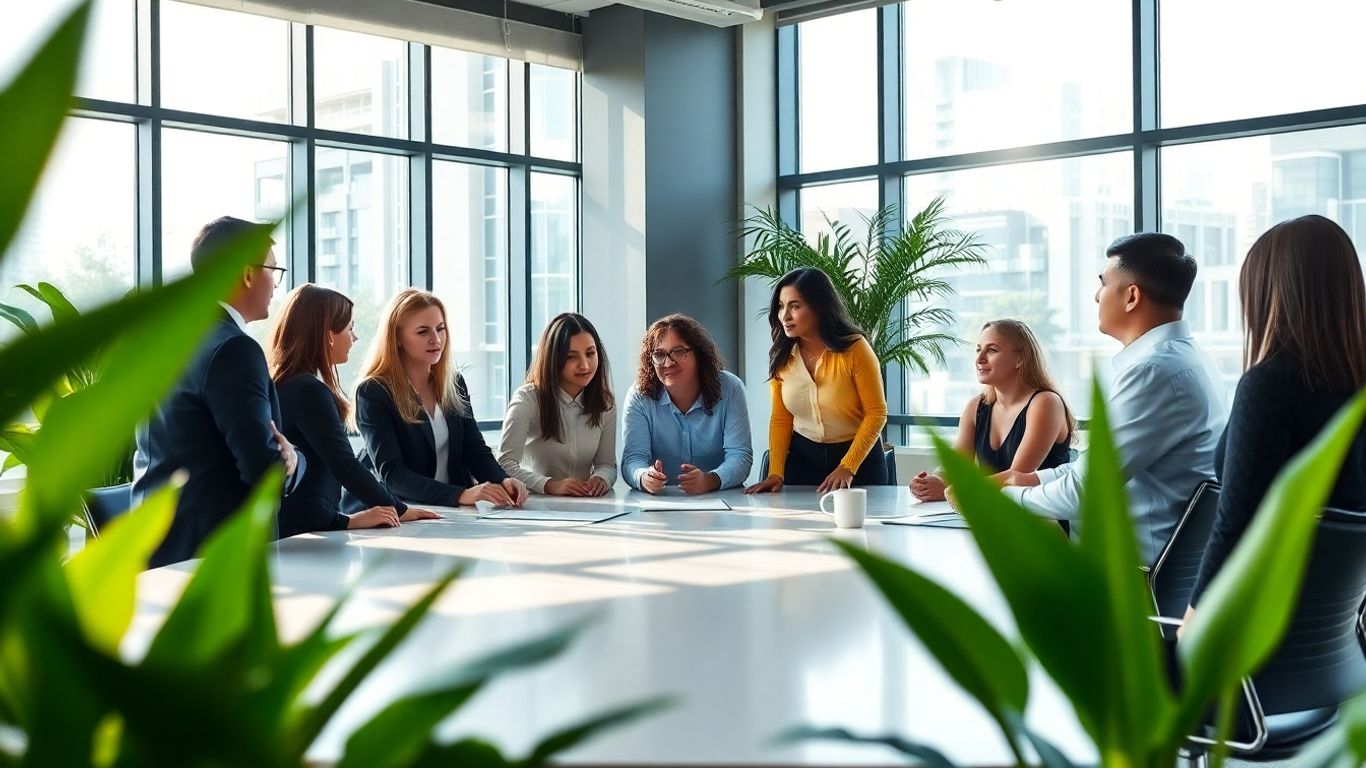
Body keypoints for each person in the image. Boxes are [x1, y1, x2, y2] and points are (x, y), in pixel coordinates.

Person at [998, 233, 1226, 565]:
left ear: (1132, 296)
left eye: (1103, 284)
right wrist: (1031, 479)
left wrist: (1003, 496)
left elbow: (1083, 493)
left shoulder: (1152, 372)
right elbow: (1092, 472)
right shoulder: (1187, 360)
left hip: (1130, 580)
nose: (1095, 296)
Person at [1185, 215, 1366, 620]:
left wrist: (1190, 628)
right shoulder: (1355, 391)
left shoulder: (1270, 386)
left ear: (1272, 295)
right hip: (1340, 655)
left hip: (1258, 643)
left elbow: (1236, 526)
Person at [133, 216, 304, 567]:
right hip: (214, 559)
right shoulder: (233, 349)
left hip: (158, 549)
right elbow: (263, 469)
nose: (275, 284)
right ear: (246, 273)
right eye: (274, 270)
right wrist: (293, 461)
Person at [269, 284, 440, 536]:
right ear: (327, 334)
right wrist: (400, 509)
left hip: (302, 530)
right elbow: (344, 464)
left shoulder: (287, 383)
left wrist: (345, 519)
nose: (354, 338)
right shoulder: (308, 390)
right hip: (305, 536)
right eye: (350, 328)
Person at [353, 288, 528, 508]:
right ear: (397, 338)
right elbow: (393, 475)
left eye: (441, 329)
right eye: (423, 332)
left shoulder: (453, 383)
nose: (436, 339)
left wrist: (502, 480)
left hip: (456, 512)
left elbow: (474, 450)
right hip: (405, 511)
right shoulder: (374, 392)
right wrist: (460, 495)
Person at [745, 268, 888, 495]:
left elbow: (876, 412)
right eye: (781, 306)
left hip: (859, 461)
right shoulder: (782, 356)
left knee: (863, 529)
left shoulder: (855, 348)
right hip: (802, 461)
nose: (785, 316)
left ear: (819, 307)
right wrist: (775, 473)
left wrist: (847, 467)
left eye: (795, 306)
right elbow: (781, 419)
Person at [911, 320, 1074, 502]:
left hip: (1041, 524)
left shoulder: (1046, 403)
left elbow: (1015, 480)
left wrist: (949, 490)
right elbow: (957, 467)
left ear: (1020, 359)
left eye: (991, 350)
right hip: (992, 515)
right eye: (978, 349)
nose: (979, 359)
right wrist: (931, 482)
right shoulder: (976, 407)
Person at [621, 314, 753, 494]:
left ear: (699, 354)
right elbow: (632, 459)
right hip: (659, 506)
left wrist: (709, 480)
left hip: (722, 499)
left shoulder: (730, 389)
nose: (667, 363)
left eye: (678, 352)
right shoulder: (639, 396)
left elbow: (740, 457)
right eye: (659, 355)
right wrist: (644, 477)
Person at [498, 313, 617, 496]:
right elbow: (504, 465)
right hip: (535, 506)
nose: (585, 365)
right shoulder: (527, 400)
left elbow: (607, 464)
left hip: (588, 506)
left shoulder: (605, 402)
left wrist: (601, 478)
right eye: (572, 357)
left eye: (590, 354)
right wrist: (550, 485)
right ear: (554, 359)